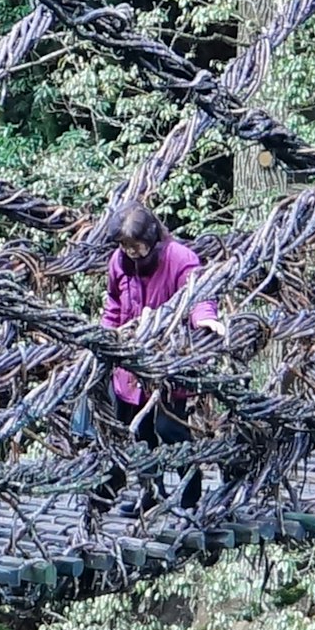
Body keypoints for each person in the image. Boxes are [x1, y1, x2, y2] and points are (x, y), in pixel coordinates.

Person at [91, 208, 220, 508]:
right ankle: (149, 494)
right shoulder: (119, 263)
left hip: (166, 365)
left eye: (136, 246)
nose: (130, 252)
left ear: (151, 238)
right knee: (139, 433)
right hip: (129, 365)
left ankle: (191, 499)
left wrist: (204, 319)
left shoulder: (179, 258)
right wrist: (103, 338)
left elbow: (198, 295)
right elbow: (113, 305)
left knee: (170, 429)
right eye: (124, 246)